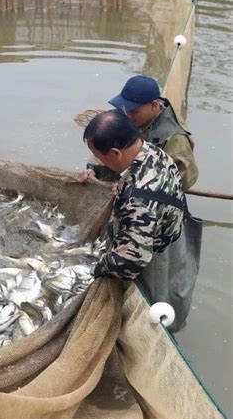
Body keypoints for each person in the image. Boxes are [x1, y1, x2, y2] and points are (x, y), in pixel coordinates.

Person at [83, 110, 200, 331]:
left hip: (155, 260)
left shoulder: (138, 201)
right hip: (173, 235)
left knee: (152, 311)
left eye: (99, 156)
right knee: (173, 294)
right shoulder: (154, 151)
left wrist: (98, 267)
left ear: (116, 153)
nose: (99, 161)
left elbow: (129, 264)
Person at [80, 75, 198, 191]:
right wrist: (94, 170)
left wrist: (132, 186)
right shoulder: (128, 114)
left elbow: (182, 179)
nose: (128, 115)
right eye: (126, 108)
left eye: (134, 111)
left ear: (154, 106)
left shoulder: (175, 137)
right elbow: (105, 144)